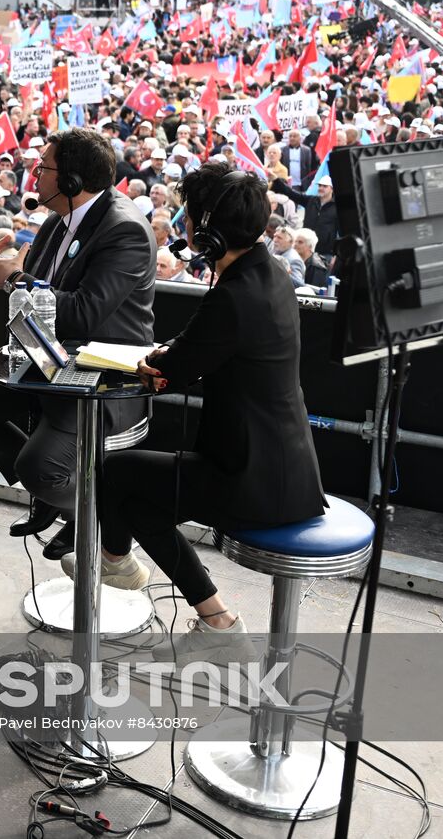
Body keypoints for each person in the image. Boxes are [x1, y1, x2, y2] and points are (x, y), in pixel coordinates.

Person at [90, 162, 326, 665]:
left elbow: (177, 368)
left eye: (191, 218)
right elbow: (197, 346)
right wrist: (169, 358)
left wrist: (159, 365)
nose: (186, 228)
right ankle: (216, 619)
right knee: (135, 504)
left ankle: (113, 561)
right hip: (281, 466)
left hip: (252, 478)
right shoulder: (266, 272)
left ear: (208, 230)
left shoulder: (237, 294)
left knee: (117, 471)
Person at [0, 128, 155, 540]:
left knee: (40, 466)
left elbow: (83, 314)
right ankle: (56, 499)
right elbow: (40, 285)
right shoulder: (60, 218)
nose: (35, 176)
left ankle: (98, 523)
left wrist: (15, 279)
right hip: (44, 360)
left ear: (72, 180)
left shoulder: (123, 230)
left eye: (44, 167)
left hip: (99, 375)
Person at [270, 173, 339, 262]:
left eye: (325, 186)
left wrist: (335, 254)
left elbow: (340, 232)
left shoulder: (336, 207)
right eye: (320, 186)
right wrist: (276, 180)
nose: (321, 188)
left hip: (325, 252)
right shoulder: (311, 200)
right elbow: (292, 194)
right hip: (305, 249)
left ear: (332, 189)